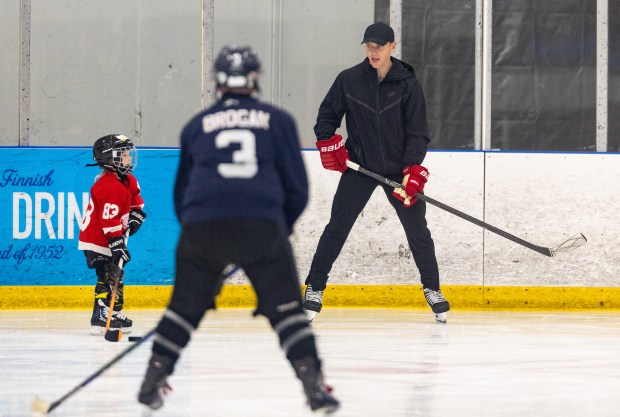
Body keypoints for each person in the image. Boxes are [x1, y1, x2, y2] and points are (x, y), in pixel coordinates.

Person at [137, 45, 339, 414]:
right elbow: (297, 188)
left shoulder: (196, 125)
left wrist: (204, 243)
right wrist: (277, 229)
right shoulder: (277, 120)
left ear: (218, 83)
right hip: (262, 224)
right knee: (289, 312)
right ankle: (314, 388)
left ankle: (152, 380)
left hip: (203, 226)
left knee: (182, 309)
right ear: (255, 79)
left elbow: (182, 195)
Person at [303, 22, 450, 324]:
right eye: (369, 45)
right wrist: (329, 143)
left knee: (418, 232)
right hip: (360, 167)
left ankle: (433, 289)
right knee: (337, 227)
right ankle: (314, 287)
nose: (373, 50)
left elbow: (418, 131)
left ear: (392, 46)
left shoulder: (407, 83)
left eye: (379, 45)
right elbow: (326, 116)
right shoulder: (349, 80)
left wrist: (412, 170)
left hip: (398, 172)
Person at [78, 134, 147, 334]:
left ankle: (112, 312)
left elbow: (136, 200)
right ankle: (99, 315)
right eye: (123, 154)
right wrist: (117, 242)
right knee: (108, 273)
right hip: (97, 241)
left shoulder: (128, 180)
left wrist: (136, 215)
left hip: (111, 237)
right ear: (110, 159)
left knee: (117, 273)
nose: (128, 157)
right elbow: (108, 220)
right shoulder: (108, 186)